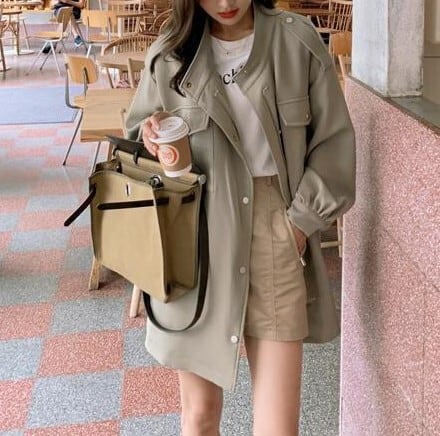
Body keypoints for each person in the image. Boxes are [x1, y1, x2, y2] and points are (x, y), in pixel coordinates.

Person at [125, 0, 355, 434]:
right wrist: (151, 136)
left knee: (278, 427)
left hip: (276, 229)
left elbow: (333, 143)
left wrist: (297, 225)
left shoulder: (295, 40)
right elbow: (137, 143)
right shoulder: (170, 52)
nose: (227, 3)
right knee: (200, 415)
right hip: (195, 238)